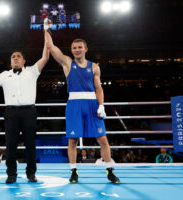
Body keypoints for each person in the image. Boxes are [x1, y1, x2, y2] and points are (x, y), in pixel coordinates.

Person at [44, 19, 120, 184]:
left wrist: (101, 105)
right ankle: (73, 172)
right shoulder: (67, 63)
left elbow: (99, 88)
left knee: (103, 139)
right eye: (74, 48)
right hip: (74, 105)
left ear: (85, 49)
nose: (77, 50)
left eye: (80, 47)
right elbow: (51, 47)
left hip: (92, 104)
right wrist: (46, 29)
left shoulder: (94, 67)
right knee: (72, 140)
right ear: (71, 50)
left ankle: (109, 170)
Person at [0, 31, 49, 184]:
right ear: (11, 61)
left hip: (29, 111)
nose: (15, 58)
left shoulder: (32, 71)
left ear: (24, 60)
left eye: (18, 56)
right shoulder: (5, 75)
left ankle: (31, 173)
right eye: (13, 57)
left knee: (30, 144)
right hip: (11, 112)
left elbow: (45, 56)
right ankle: (11, 174)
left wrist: (46, 33)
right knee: (10, 144)